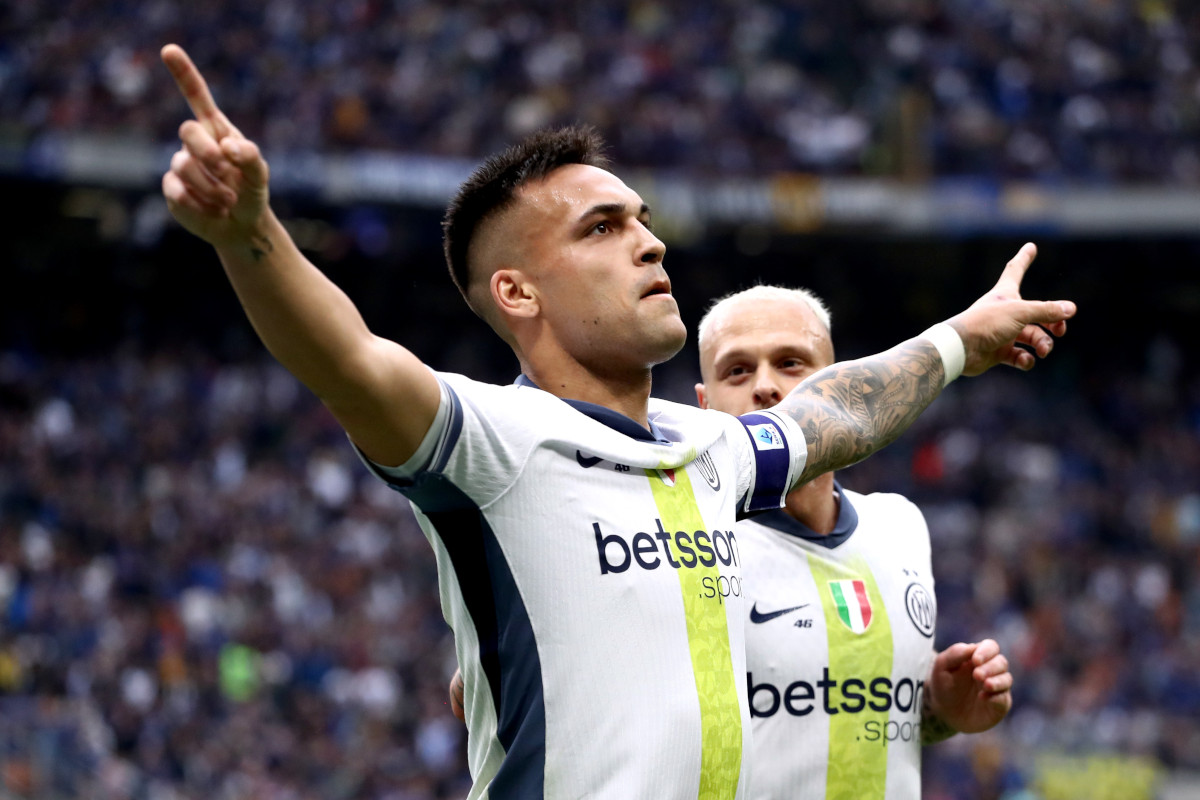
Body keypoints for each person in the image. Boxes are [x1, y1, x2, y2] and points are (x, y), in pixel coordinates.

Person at [159, 41, 1073, 799]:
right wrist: (252, 232)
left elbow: (834, 411)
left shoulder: (711, 450)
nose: (650, 241)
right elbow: (351, 362)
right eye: (601, 228)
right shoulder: (495, 446)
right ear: (517, 291)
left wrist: (962, 337)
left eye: (641, 219)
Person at [695, 285, 1012, 798]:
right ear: (704, 405)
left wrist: (941, 708)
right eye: (737, 370)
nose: (766, 386)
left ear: (840, 382)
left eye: (791, 363)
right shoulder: (685, 550)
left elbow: (887, 717)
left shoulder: (900, 524)